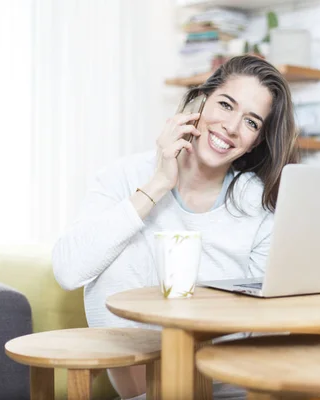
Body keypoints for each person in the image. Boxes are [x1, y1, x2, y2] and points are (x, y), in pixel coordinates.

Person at [52, 55, 300, 400]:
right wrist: (156, 185)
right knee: (116, 250)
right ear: (199, 101)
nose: (231, 126)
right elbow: (68, 270)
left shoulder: (258, 202)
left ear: (256, 141)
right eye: (226, 105)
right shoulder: (124, 176)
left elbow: (269, 325)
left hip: (227, 384)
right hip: (143, 386)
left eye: (251, 122)